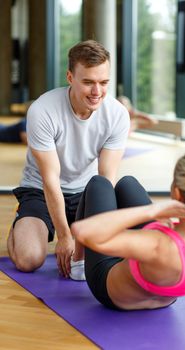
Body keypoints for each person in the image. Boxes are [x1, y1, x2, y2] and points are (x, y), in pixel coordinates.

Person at [7, 40, 130, 279]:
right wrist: (64, 236)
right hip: (40, 191)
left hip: (86, 193)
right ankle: (22, 221)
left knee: (114, 252)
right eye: (88, 82)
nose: (97, 92)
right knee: (29, 260)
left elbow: (106, 180)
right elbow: (50, 178)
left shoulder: (116, 115)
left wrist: (99, 232)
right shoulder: (43, 110)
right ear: (70, 77)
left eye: (103, 83)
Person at [71, 148, 185, 310]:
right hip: (166, 297)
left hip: (112, 294)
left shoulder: (157, 244)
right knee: (128, 184)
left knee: (100, 184)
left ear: (177, 194)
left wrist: (152, 211)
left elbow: (83, 231)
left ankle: (78, 262)